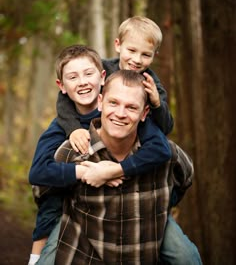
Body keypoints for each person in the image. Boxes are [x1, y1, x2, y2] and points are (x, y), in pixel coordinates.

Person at [28, 45, 171, 265]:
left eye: (88, 74)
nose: (83, 81)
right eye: (73, 77)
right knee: (49, 217)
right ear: (62, 86)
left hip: (131, 214)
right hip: (71, 206)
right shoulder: (59, 127)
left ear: (103, 77)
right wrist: (83, 171)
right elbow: (37, 172)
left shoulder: (122, 114)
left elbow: (163, 150)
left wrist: (117, 170)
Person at [49, 70, 199, 264]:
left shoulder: (167, 156)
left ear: (144, 113)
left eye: (131, 107)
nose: (120, 114)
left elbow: (185, 178)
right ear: (100, 102)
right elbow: (47, 194)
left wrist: (158, 209)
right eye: (113, 103)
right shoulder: (71, 153)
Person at [56, 16, 174, 155]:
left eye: (146, 55)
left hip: (129, 142)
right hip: (93, 131)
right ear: (118, 45)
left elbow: (166, 127)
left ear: (155, 55)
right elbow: (65, 97)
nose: (137, 60)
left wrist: (157, 103)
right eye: (131, 51)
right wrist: (73, 128)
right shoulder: (102, 68)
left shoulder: (151, 84)